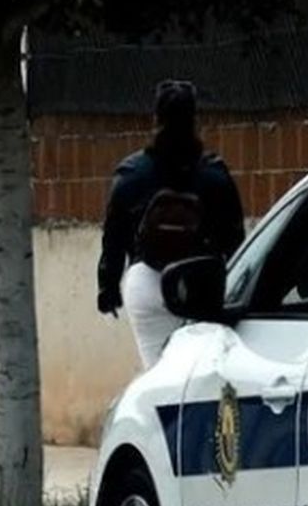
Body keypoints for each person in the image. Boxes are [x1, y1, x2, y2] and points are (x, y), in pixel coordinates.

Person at [97, 80, 244, 367]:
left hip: (147, 281)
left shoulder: (131, 173)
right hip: (202, 285)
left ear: (156, 118)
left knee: (159, 375)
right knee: (201, 376)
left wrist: (108, 287)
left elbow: (113, 238)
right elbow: (234, 239)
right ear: (195, 118)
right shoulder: (214, 173)